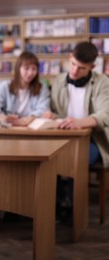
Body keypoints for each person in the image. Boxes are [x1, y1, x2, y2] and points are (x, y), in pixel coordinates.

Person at [42, 41, 109, 223]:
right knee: (48, 158)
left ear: (92, 67)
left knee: (75, 160)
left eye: (81, 68)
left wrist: (79, 122)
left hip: (93, 139)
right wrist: (51, 114)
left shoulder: (103, 82)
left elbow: (105, 115)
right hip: (63, 137)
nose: (74, 71)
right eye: (72, 64)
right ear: (69, 58)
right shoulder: (59, 80)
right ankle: (57, 204)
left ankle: (73, 208)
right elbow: (57, 112)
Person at [0, 51, 50, 126]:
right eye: (26, 68)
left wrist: (31, 118)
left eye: (34, 69)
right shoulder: (4, 87)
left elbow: (44, 109)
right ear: (18, 68)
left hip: (31, 129)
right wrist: (4, 117)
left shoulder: (42, 88)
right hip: (7, 129)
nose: (30, 73)